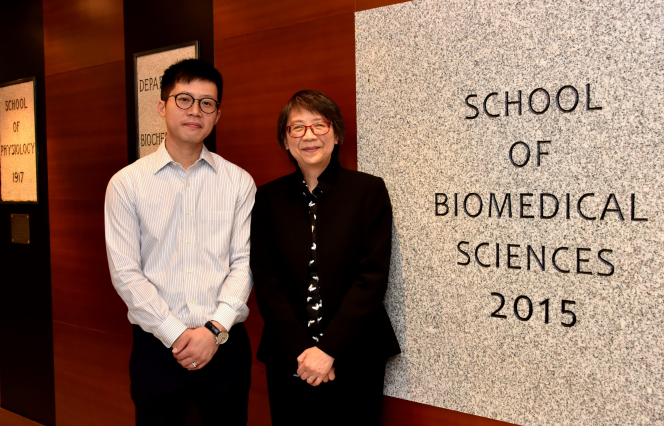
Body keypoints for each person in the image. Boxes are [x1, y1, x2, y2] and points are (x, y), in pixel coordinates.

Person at [104, 59, 255, 426]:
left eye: (207, 103)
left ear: (217, 115)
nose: (195, 111)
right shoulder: (126, 184)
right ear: (161, 106)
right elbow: (125, 272)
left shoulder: (238, 182)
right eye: (184, 99)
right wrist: (175, 333)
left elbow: (244, 263)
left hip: (225, 347)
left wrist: (214, 331)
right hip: (156, 348)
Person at [250, 90, 401, 426]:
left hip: (355, 353)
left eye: (319, 125)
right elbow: (267, 281)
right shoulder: (268, 198)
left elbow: (372, 277)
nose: (309, 136)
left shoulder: (368, 191)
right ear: (285, 141)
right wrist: (303, 352)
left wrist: (327, 350)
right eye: (297, 128)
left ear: (336, 133)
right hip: (290, 355)